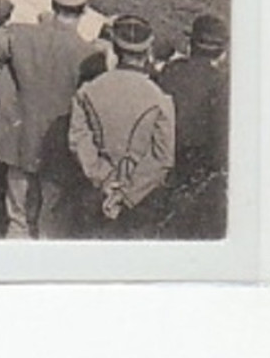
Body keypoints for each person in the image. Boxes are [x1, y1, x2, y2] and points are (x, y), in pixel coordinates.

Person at [0, 0, 106, 239]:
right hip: (58, 145)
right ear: (84, 10)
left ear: (52, 4)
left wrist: (0, 90)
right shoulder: (89, 55)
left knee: (17, 216)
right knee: (50, 218)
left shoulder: (19, 34)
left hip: (19, 138)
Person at [69, 15, 176, 239]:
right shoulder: (160, 99)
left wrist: (105, 180)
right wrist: (126, 193)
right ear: (148, 51)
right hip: (139, 200)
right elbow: (162, 158)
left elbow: (79, 140)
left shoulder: (89, 90)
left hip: (94, 190)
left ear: (115, 49)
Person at [156, 13, 230, 238]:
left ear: (190, 44)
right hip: (195, 169)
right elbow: (220, 136)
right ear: (222, 52)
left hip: (161, 156)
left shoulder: (172, 70)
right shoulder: (221, 81)